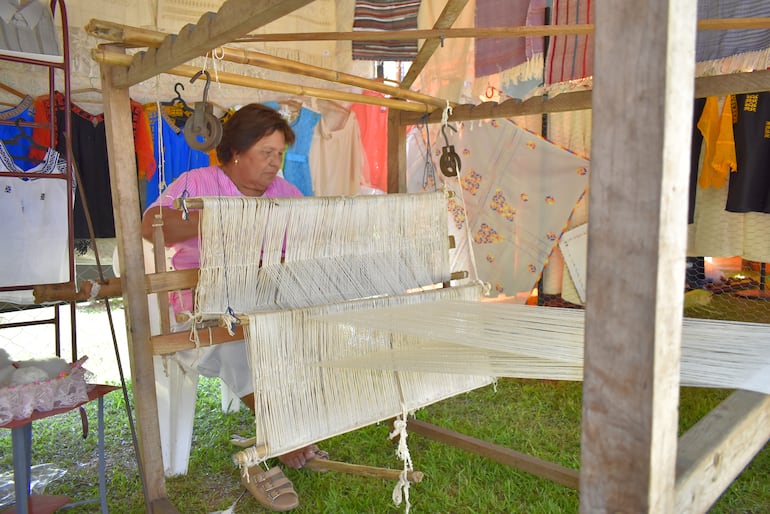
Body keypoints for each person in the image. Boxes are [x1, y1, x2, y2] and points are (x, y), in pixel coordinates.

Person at [141, 103, 324, 512]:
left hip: (262, 299)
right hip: (201, 308)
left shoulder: (284, 194)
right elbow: (152, 226)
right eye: (266, 153)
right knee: (240, 339)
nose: (274, 164)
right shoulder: (199, 181)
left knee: (300, 330)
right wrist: (220, 219)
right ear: (237, 151)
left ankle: (286, 426)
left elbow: (306, 240)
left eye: (279, 154)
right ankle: (284, 432)